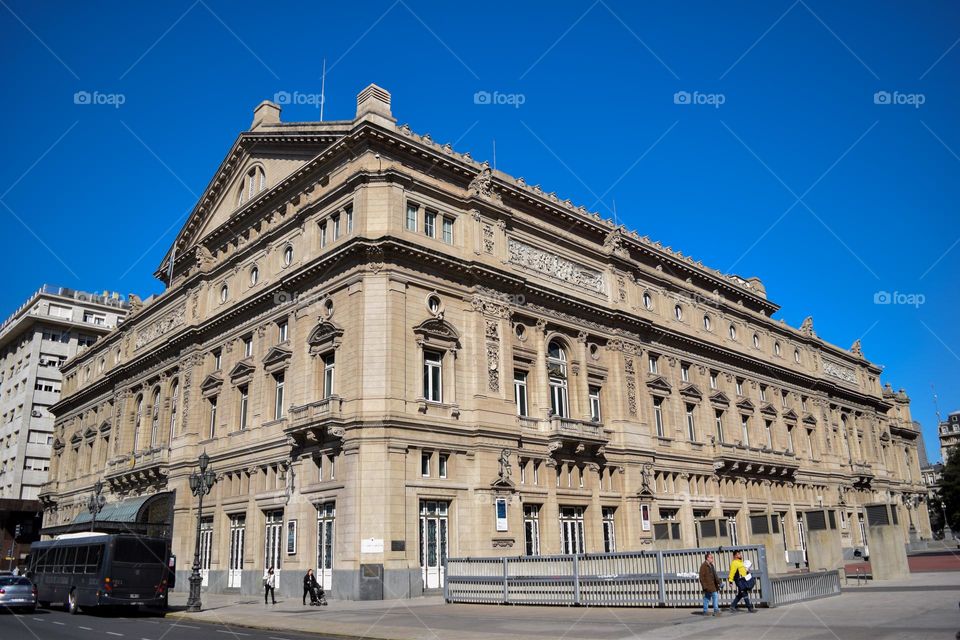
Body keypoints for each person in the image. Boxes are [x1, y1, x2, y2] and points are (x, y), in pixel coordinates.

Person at [698, 552, 722, 616]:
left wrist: (719, 582)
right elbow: (701, 577)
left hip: (713, 585)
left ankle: (705, 611)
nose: (712, 559)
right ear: (707, 558)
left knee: (707, 598)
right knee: (715, 596)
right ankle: (716, 610)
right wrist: (704, 586)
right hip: (708, 586)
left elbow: (715, 575)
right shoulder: (703, 566)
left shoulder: (711, 565)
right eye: (711, 557)